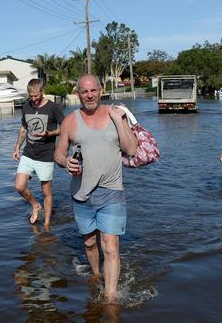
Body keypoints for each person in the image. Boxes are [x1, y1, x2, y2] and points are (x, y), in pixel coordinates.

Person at [54, 74, 138, 302]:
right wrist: (65, 162)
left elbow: (131, 150)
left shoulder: (115, 115)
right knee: (90, 242)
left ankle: (110, 298)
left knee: (110, 247)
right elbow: (59, 153)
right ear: (78, 93)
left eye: (93, 90)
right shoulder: (70, 121)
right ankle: (96, 273)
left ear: (101, 90)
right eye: (84, 91)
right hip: (82, 193)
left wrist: (119, 121)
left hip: (111, 191)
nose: (89, 95)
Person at [13, 79, 65, 228]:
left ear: (42, 92)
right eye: (31, 96)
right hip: (28, 152)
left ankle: (47, 224)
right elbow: (23, 128)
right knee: (19, 186)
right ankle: (35, 205)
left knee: (46, 191)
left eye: (36, 96)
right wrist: (17, 147)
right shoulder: (26, 106)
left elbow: (66, 127)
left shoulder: (53, 108)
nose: (33, 99)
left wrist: (50, 133)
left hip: (46, 155)